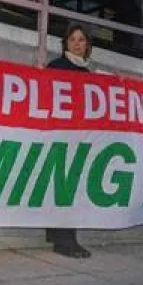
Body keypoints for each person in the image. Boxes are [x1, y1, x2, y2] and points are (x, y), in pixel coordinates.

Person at [44, 25, 94, 258]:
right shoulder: (56, 67)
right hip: (60, 135)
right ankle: (64, 240)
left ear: (87, 45)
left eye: (81, 40)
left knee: (72, 189)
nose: (76, 44)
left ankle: (65, 238)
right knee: (63, 189)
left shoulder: (88, 74)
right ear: (65, 43)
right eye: (72, 39)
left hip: (79, 137)